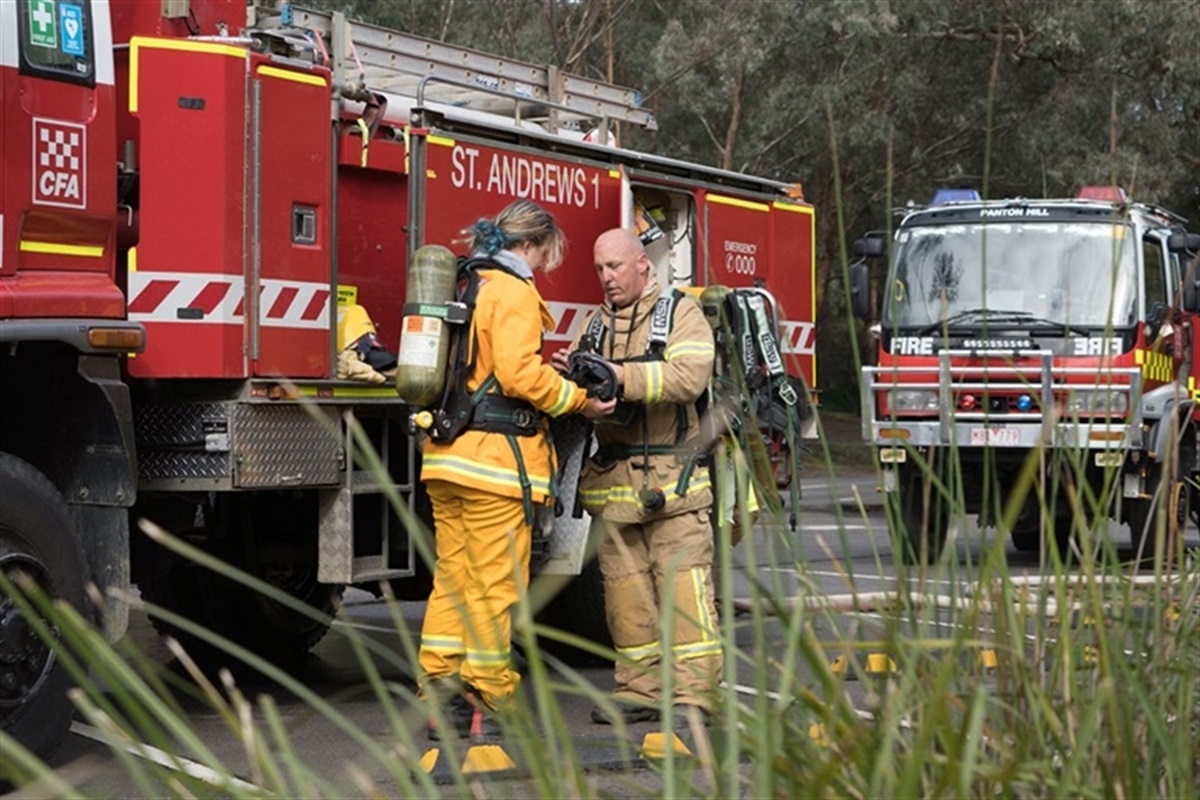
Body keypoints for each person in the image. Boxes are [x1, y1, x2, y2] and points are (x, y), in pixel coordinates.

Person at [417, 200, 615, 740]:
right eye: (550, 253)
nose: (549, 263)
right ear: (533, 245)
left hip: (447, 458)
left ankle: (441, 696)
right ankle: (484, 701)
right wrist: (579, 400)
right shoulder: (513, 290)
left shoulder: (466, 281)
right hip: (495, 466)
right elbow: (520, 376)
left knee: (454, 580)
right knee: (495, 586)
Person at [552, 227, 721, 731]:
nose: (606, 278)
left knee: (684, 595)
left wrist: (621, 376)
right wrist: (576, 378)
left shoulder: (679, 314)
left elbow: (690, 377)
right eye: (599, 269)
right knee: (626, 602)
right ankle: (638, 691)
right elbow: (591, 396)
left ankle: (695, 699)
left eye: (615, 267)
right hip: (616, 490)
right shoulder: (595, 324)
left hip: (674, 487)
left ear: (642, 266)